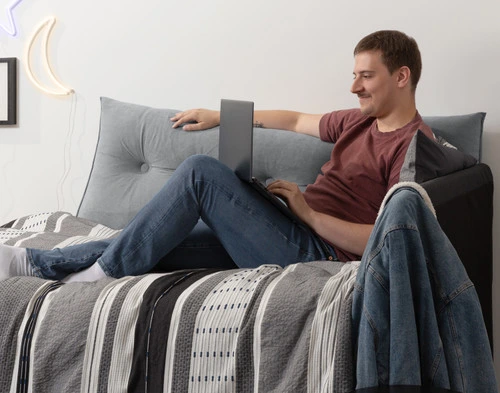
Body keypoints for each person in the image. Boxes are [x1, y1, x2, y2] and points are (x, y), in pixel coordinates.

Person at [0, 30, 435, 282]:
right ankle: (32, 262)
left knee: (199, 172)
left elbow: (387, 238)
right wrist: (221, 116)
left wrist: (309, 215)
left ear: (401, 76)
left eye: (366, 76)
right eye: (354, 75)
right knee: (155, 239)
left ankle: (102, 276)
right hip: (286, 229)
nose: (355, 86)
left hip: (317, 251)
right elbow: (298, 119)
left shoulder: (415, 147)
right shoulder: (359, 120)